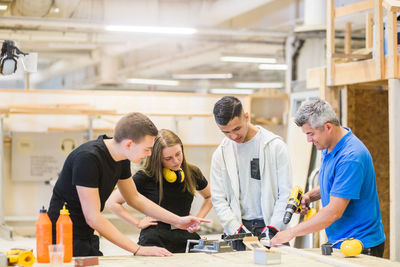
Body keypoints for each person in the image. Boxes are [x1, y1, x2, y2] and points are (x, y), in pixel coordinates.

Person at [48, 112, 208, 257]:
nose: (150, 154)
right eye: (147, 149)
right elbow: (93, 216)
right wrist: (138, 249)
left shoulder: (121, 159)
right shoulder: (88, 159)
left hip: (88, 233)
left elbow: (134, 198)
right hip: (64, 234)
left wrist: (178, 221)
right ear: (129, 144)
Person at [270, 98, 386, 257]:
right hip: (340, 241)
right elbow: (337, 186)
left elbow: (333, 212)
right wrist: (310, 196)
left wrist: (291, 233)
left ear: (328, 127)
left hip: (360, 246)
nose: (308, 140)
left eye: (311, 134)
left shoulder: (351, 157)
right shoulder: (329, 145)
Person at [106, 129, 212, 253]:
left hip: (185, 236)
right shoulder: (145, 176)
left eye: (178, 154)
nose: (176, 161)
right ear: (158, 159)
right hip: (155, 238)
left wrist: (197, 219)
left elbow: (209, 197)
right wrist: (138, 223)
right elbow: (112, 203)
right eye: (168, 158)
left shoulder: (192, 172)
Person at [210, 96, 292, 250]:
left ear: (246, 117)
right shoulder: (220, 154)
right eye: (226, 132)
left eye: (237, 129)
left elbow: (285, 193)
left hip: (272, 227)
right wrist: (236, 228)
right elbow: (219, 199)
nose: (233, 136)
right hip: (238, 230)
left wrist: (274, 227)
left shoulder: (275, 146)